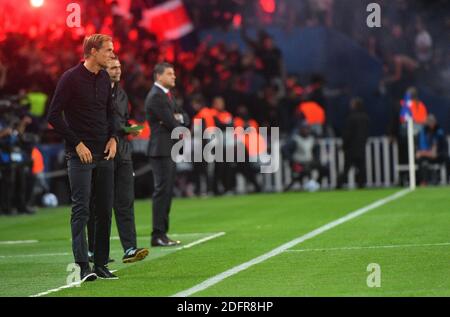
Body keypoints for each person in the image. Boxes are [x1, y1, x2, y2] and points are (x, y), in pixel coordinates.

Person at [47, 34, 118, 282]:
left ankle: (100, 264)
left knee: (104, 210)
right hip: (79, 155)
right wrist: (77, 143)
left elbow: (111, 114)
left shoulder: (104, 78)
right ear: (92, 51)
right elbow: (53, 116)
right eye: (108, 50)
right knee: (81, 210)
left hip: (105, 153)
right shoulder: (70, 78)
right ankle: (82, 266)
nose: (111, 54)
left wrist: (113, 139)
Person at [87, 57, 149, 264]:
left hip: (123, 153)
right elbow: (102, 123)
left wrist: (131, 128)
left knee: (125, 201)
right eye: (113, 67)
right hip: (102, 153)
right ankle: (93, 250)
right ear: (104, 70)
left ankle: (130, 248)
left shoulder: (122, 94)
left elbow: (122, 121)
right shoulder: (96, 93)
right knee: (98, 204)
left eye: (119, 67)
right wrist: (124, 129)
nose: (118, 70)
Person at [145, 62, 190, 247]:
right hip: (161, 149)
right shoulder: (156, 97)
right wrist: (177, 120)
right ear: (159, 76)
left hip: (167, 148)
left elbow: (184, 117)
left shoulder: (167, 95)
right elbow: (174, 123)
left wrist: (178, 120)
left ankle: (162, 233)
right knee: (162, 191)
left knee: (167, 191)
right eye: (170, 73)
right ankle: (157, 234)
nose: (174, 76)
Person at [337, 97, 370, 189]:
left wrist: (343, 145)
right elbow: (367, 133)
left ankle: (339, 185)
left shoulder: (351, 118)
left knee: (347, 168)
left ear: (355, 105)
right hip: (361, 146)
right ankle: (361, 184)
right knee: (361, 168)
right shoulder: (365, 117)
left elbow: (347, 134)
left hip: (351, 148)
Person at [416, 114, 447, 186]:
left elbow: (440, 147)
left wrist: (436, 152)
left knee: (447, 158)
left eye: (432, 122)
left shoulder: (439, 132)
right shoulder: (423, 133)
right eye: (429, 122)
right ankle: (423, 181)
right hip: (427, 155)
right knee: (421, 160)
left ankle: (448, 179)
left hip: (438, 155)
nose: (431, 124)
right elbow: (421, 150)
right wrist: (426, 153)